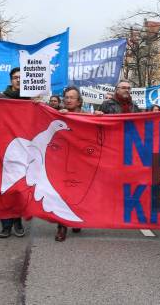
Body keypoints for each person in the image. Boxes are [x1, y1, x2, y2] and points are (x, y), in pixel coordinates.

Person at [53, 86, 86, 241]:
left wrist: (100, 115)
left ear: (79, 101)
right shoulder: (57, 114)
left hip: (82, 162)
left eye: (72, 97)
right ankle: (62, 226)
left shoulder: (88, 116)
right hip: (62, 161)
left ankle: (76, 218)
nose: (68, 100)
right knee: (62, 194)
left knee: (78, 193)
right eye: (66, 97)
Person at [0, 67, 26, 237]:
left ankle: (17, 220)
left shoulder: (29, 99)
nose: (18, 80)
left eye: (21, 78)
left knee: (20, 188)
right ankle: (5, 225)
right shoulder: (1, 98)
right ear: (11, 80)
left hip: (22, 150)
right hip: (3, 148)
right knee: (4, 188)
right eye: (16, 78)